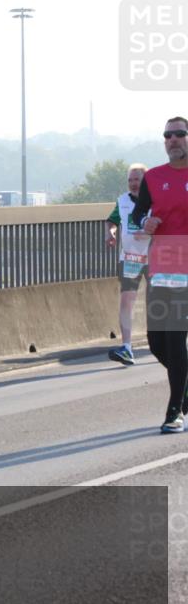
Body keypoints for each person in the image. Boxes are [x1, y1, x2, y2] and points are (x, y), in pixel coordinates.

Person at [131, 116, 188, 433]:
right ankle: (185, 393)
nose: (173, 139)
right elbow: (138, 212)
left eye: (179, 133)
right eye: (168, 135)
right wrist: (145, 222)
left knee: (176, 338)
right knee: (157, 342)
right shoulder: (153, 177)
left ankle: (174, 412)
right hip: (160, 268)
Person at [105, 163, 149, 365]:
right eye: (130, 180)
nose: (132, 184)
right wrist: (111, 233)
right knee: (126, 302)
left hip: (155, 257)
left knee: (161, 301)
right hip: (130, 258)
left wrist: (150, 232)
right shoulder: (122, 200)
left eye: (136, 179)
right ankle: (127, 348)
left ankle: (170, 342)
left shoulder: (157, 199)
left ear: (146, 181)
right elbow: (112, 220)